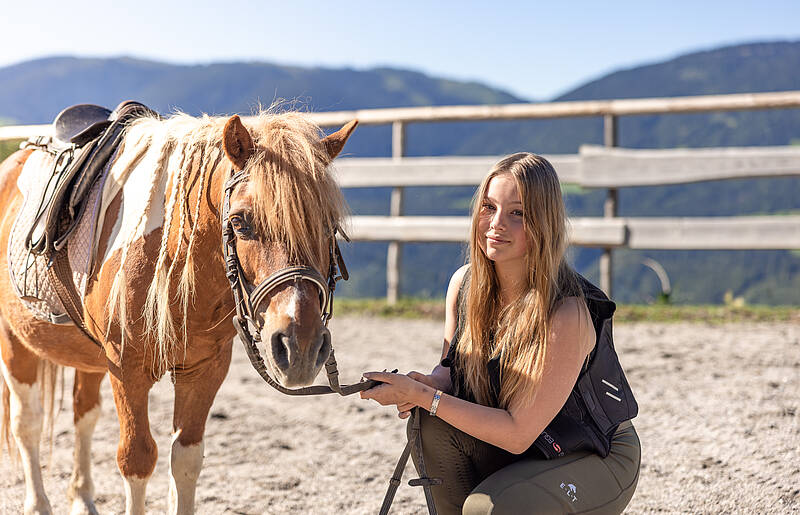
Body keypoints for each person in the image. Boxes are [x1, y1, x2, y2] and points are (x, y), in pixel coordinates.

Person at [360, 153, 640, 514]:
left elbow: (518, 432)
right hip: (533, 448)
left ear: (544, 223)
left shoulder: (567, 311)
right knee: (431, 422)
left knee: (488, 508)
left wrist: (424, 395)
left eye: (517, 213)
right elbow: (451, 369)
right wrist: (426, 385)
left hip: (594, 453)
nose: (496, 224)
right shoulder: (463, 286)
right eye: (489, 207)